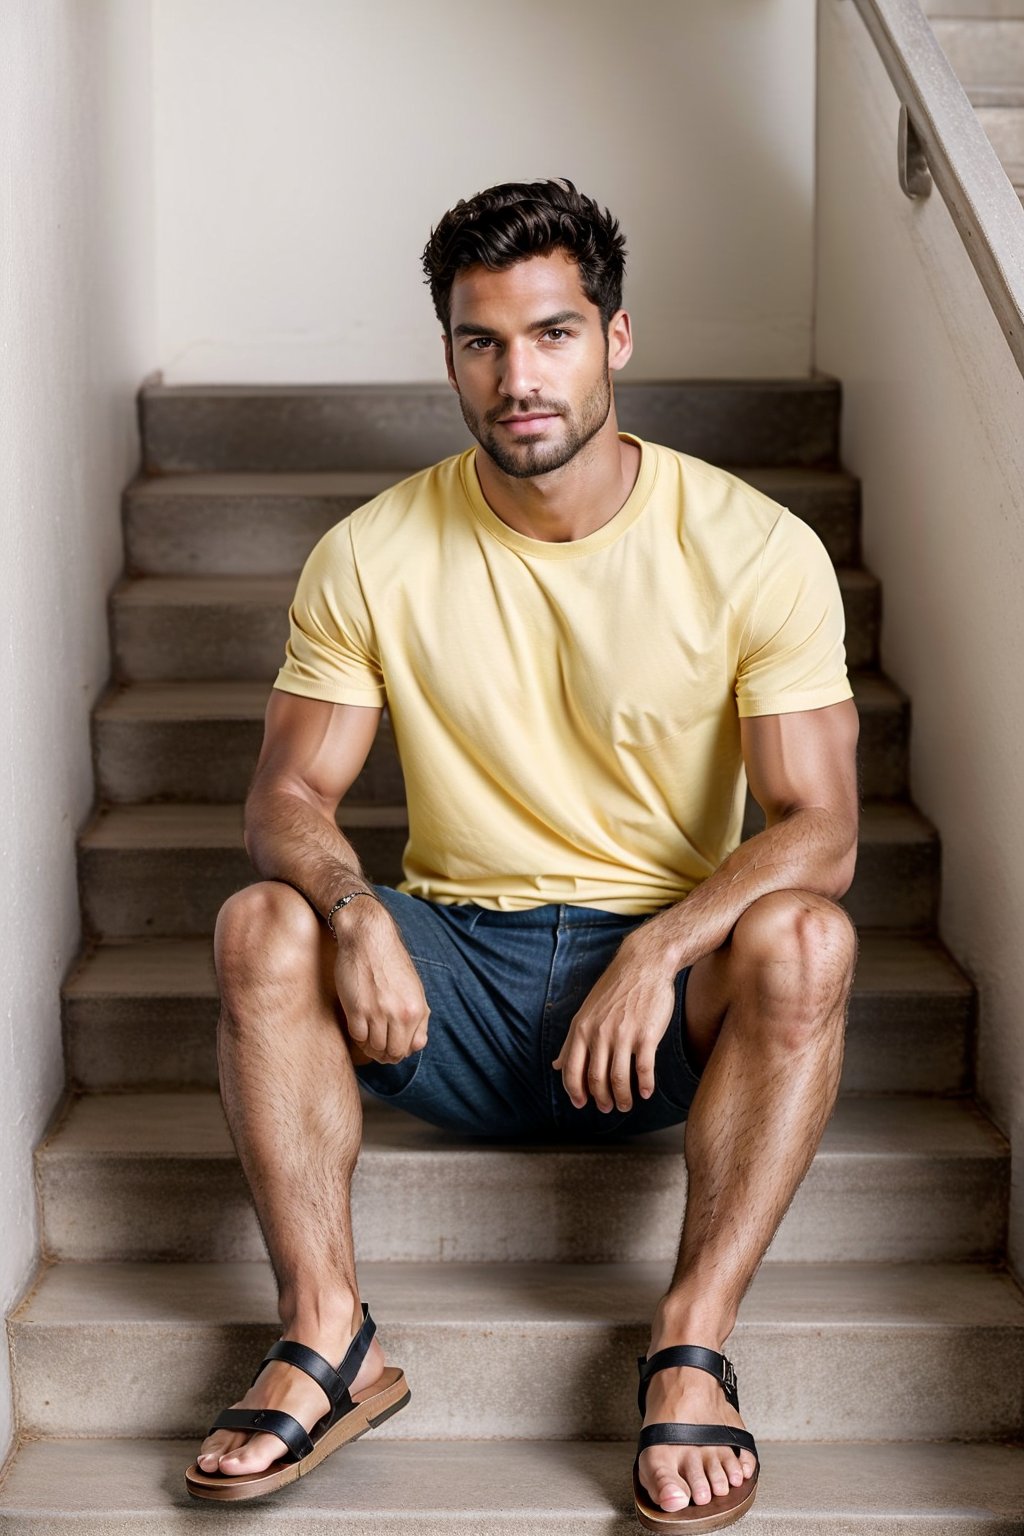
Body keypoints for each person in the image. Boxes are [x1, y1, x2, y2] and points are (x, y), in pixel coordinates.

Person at [183, 178, 859, 1531]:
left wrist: (664, 943)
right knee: (266, 920)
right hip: (458, 980)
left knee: (808, 935)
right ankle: (331, 1337)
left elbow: (823, 828)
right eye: (482, 342)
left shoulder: (752, 548)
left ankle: (691, 1342)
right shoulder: (372, 553)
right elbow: (288, 794)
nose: (518, 377)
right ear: (448, 353)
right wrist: (355, 908)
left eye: (552, 334)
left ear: (615, 338)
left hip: (658, 1003)